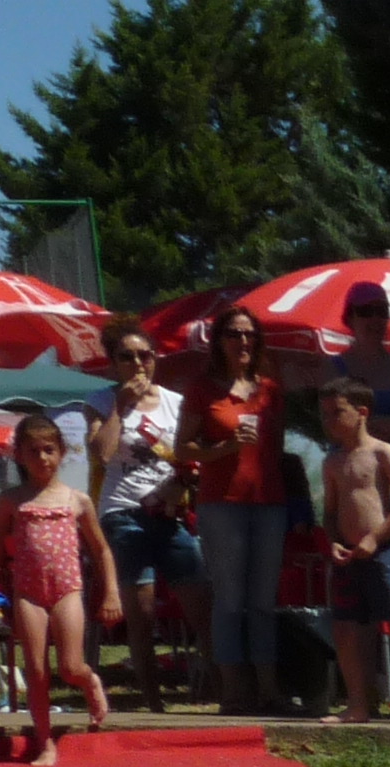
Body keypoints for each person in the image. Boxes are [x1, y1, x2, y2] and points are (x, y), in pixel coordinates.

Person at [0, 411, 119, 763]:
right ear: (19, 455)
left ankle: (89, 681)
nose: (42, 458)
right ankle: (44, 742)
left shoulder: (76, 500)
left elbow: (101, 550)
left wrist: (111, 592)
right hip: (28, 593)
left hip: (67, 590)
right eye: (33, 451)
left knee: (70, 666)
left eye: (49, 450)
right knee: (35, 670)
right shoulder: (12, 500)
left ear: (62, 452)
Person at [85, 322, 200, 709]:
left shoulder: (175, 402)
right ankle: (152, 699)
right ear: (113, 363)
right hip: (123, 512)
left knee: (200, 600)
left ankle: (221, 690)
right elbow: (102, 454)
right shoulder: (100, 401)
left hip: (170, 511)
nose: (137, 364)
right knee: (142, 612)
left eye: (145, 356)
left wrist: (181, 483)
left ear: (155, 359)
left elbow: (192, 455)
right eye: (127, 357)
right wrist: (120, 405)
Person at [182, 303, 288, 713]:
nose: (242, 341)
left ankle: (270, 689)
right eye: (233, 334)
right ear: (219, 341)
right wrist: (225, 447)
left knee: (263, 600)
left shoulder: (270, 390)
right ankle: (233, 691)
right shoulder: (203, 388)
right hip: (222, 504)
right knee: (229, 599)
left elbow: (277, 448)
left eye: (249, 334)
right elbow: (183, 447)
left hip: (269, 502)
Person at [318, 378, 390, 729]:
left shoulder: (382, 452)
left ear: (362, 412)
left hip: (382, 553)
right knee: (345, 629)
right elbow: (330, 512)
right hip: (348, 557)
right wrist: (334, 541)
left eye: (337, 412)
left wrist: (376, 536)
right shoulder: (332, 461)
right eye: (325, 414)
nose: (330, 420)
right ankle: (357, 705)